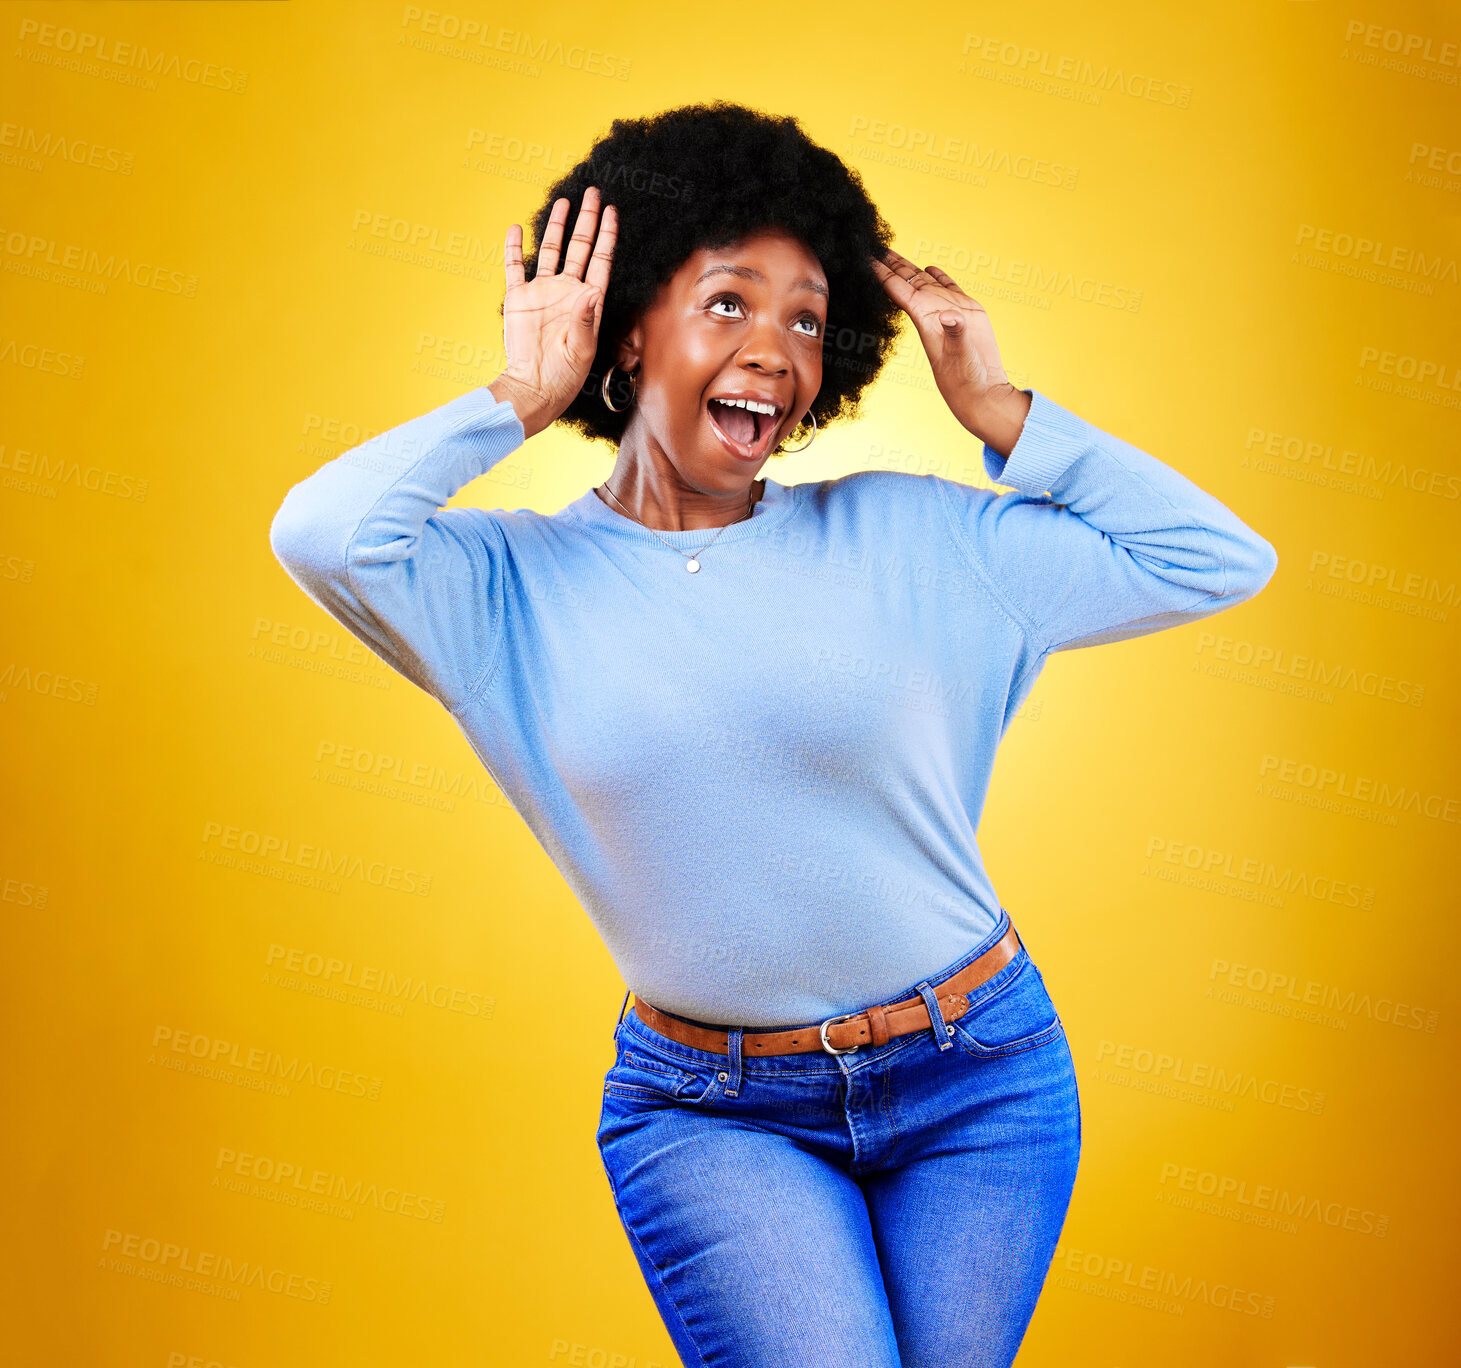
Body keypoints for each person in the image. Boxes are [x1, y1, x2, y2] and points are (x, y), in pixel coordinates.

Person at [269, 101, 1278, 1368]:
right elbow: (319, 533)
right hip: (714, 1111)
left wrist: (1006, 411)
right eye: (729, 303)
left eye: (806, 319)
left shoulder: (921, 539)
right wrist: (520, 396)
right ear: (626, 330)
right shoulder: (499, 591)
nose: (776, 350)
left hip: (983, 1079)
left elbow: (1218, 560)